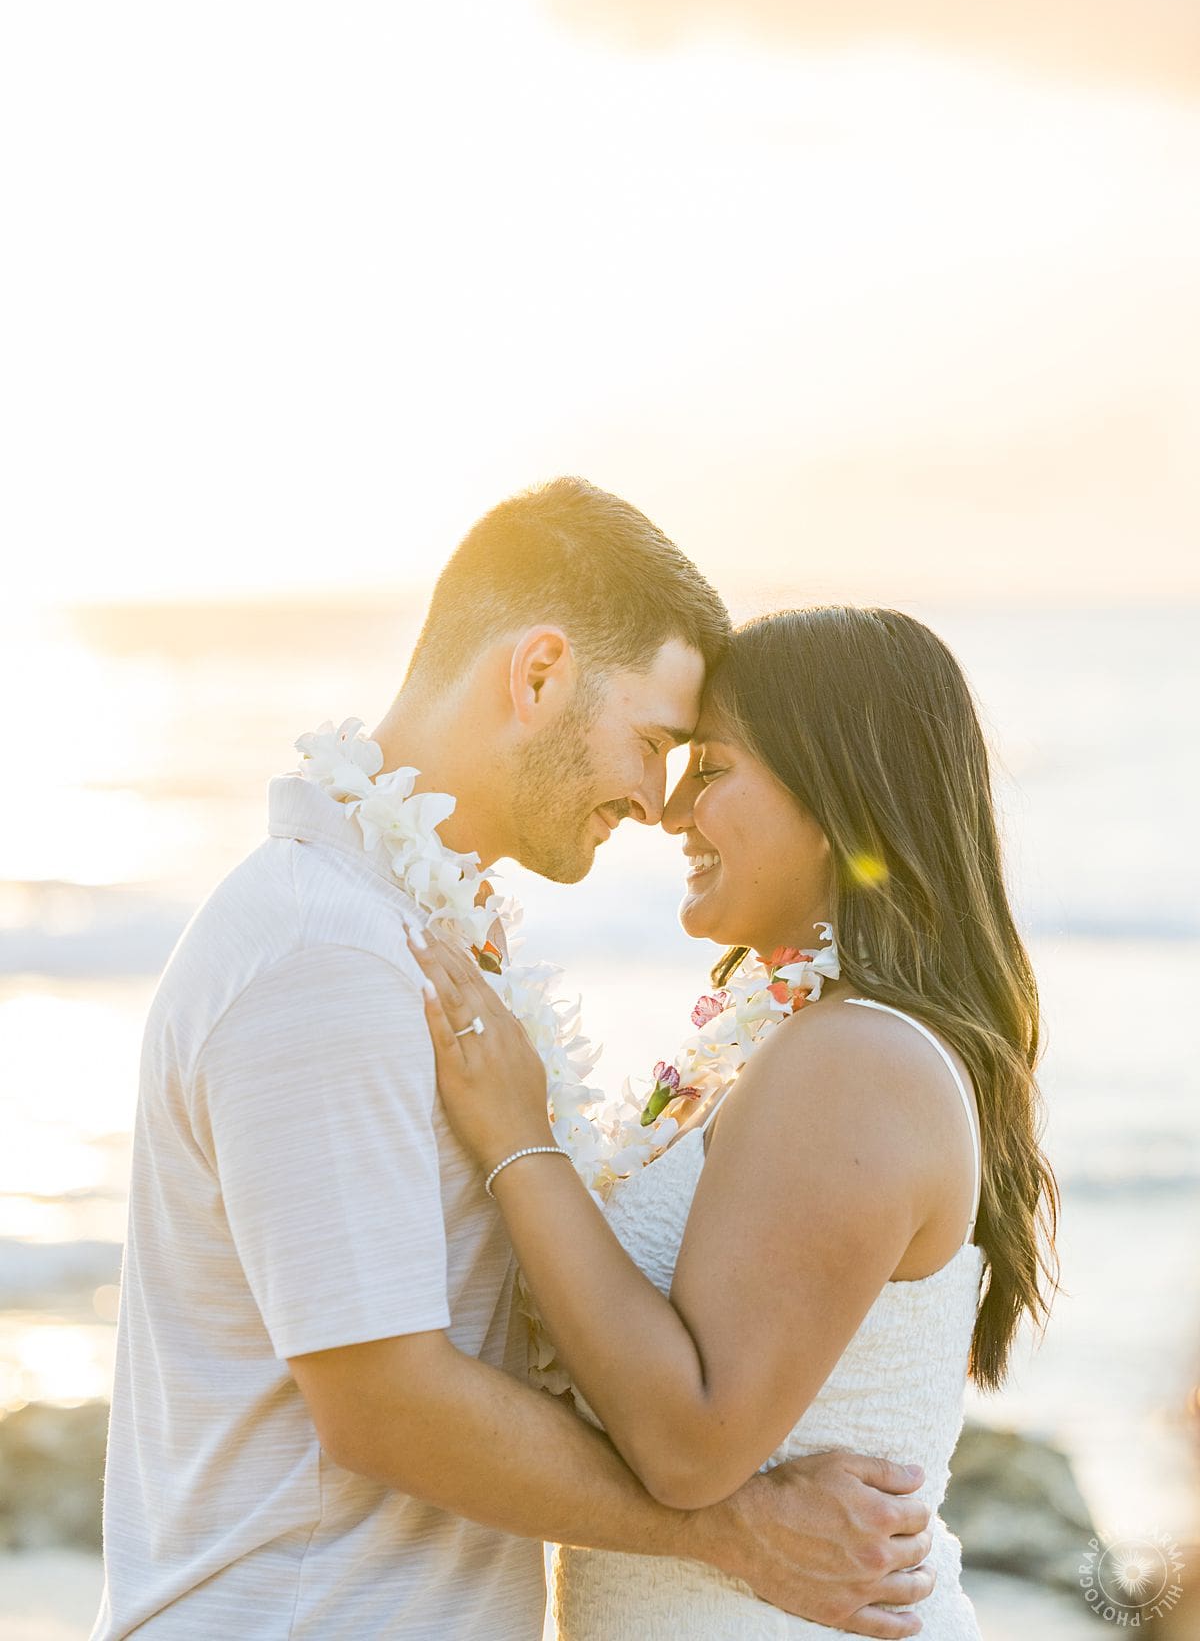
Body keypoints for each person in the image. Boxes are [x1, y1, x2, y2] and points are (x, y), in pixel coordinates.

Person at [93, 484, 935, 1640]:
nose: (658, 802)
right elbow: (383, 1404)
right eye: (654, 742)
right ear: (538, 674)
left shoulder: (412, 937)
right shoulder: (321, 951)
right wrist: (735, 1532)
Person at [409, 604, 1060, 1639]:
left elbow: (691, 1445)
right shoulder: (805, 1045)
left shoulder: (860, 1062)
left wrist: (517, 1137)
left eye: (710, 769)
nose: (672, 814)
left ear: (836, 801)